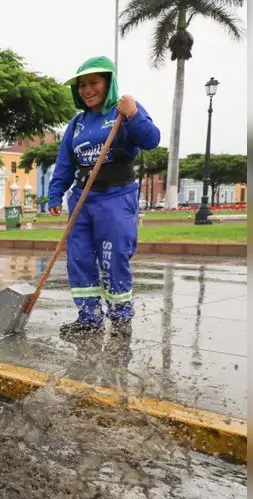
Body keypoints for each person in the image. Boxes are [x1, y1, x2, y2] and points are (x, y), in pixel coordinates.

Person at [46, 56, 161, 340]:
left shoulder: (123, 110)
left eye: (93, 83)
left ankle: (120, 317)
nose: (87, 90)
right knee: (79, 258)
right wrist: (55, 194)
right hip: (82, 200)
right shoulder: (77, 124)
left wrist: (133, 114)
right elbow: (65, 163)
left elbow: (151, 140)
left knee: (113, 258)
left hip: (116, 197)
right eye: (82, 85)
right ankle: (89, 318)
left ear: (108, 83)